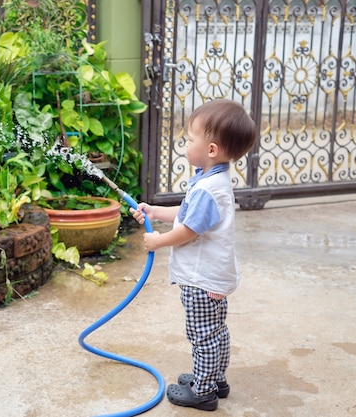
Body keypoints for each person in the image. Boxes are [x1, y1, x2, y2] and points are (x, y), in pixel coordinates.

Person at [131, 99, 257, 411]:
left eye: (189, 140)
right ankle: (215, 378)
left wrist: (157, 241)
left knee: (203, 337)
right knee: (216, 332)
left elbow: (189, 231)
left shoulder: (206, 189)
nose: (185, 145)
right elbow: (187, 215)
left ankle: (203, 390)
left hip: (202, 280)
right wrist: (153, 210)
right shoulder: (212, 180)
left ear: (211, 150)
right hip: (211, 276)